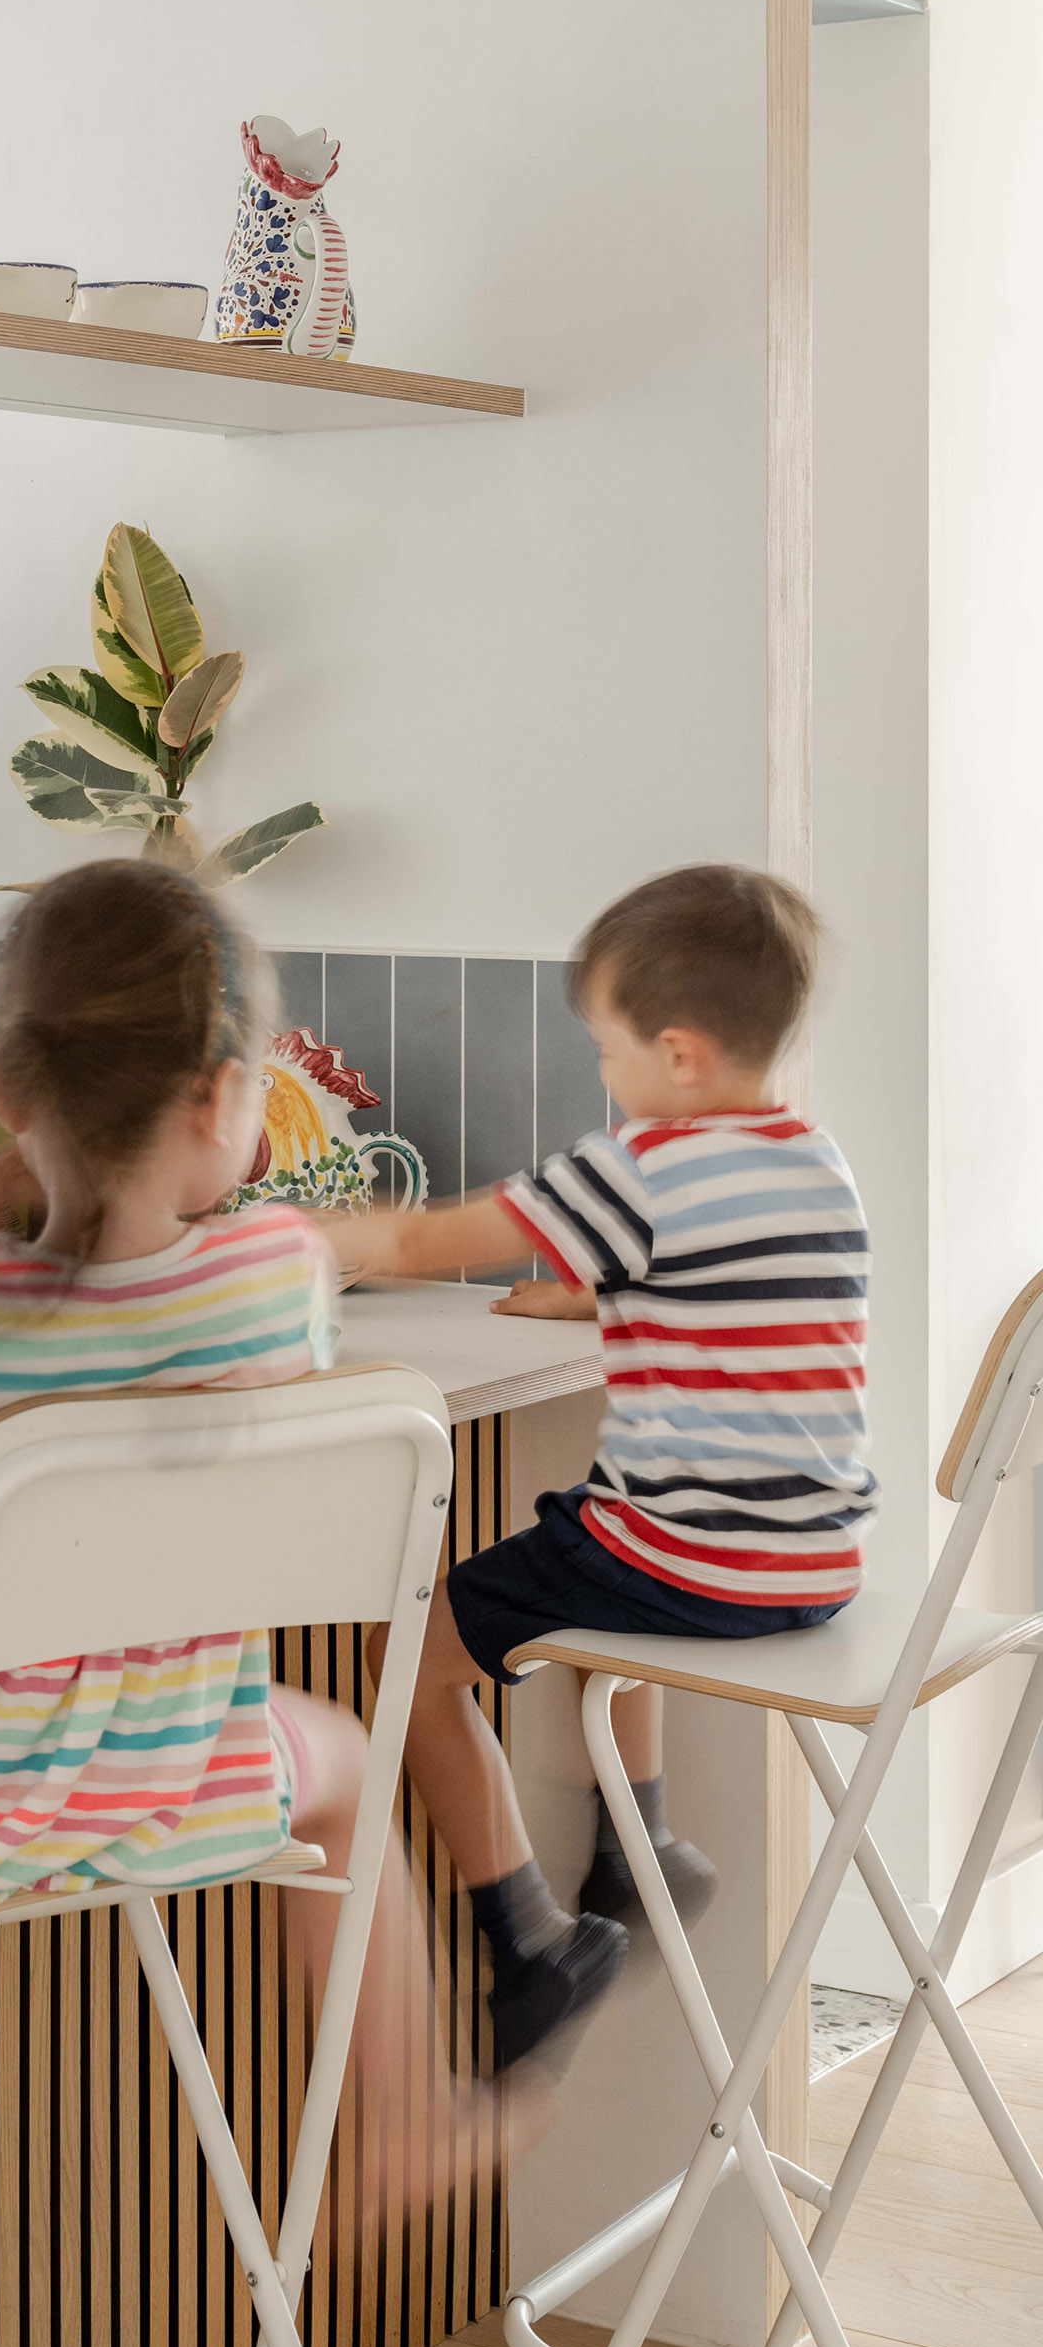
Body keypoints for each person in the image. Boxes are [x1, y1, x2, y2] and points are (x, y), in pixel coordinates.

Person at [0, 860, 523, 2236]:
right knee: (350, 1767)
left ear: (5, 1089)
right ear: (226, 1105)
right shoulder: (276, 1277)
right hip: (166, 1774)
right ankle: (401, 2119)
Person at [322, 864, 877, 2066]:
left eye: (607, 1050)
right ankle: (641, 1850)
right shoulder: (811, 1162)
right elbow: (745, 1306)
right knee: (602, 1519)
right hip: (814, 1563)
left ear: (677, 1055)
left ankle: (525, 1937)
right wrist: (597, 1302)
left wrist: (272, 1237)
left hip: (688, 1568)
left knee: (405, 1658)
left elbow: (422, 1239)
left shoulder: (638, 1166)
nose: (603, 1075)